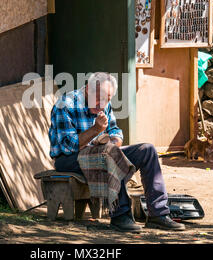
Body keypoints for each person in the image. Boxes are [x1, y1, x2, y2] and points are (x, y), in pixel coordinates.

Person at [48, 72, 185, 232]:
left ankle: (158, 214)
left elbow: (115, 131)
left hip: (102, 153)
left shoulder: (104, 104)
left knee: (147, 150)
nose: (102, 104)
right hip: (68, 159)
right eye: (98, 98)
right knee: (109, 154)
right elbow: (68, 146)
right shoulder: (65, 104)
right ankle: (120, 215)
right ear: (87, 90)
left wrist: (113, 142)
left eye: (107, 99)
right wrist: (96, 130)